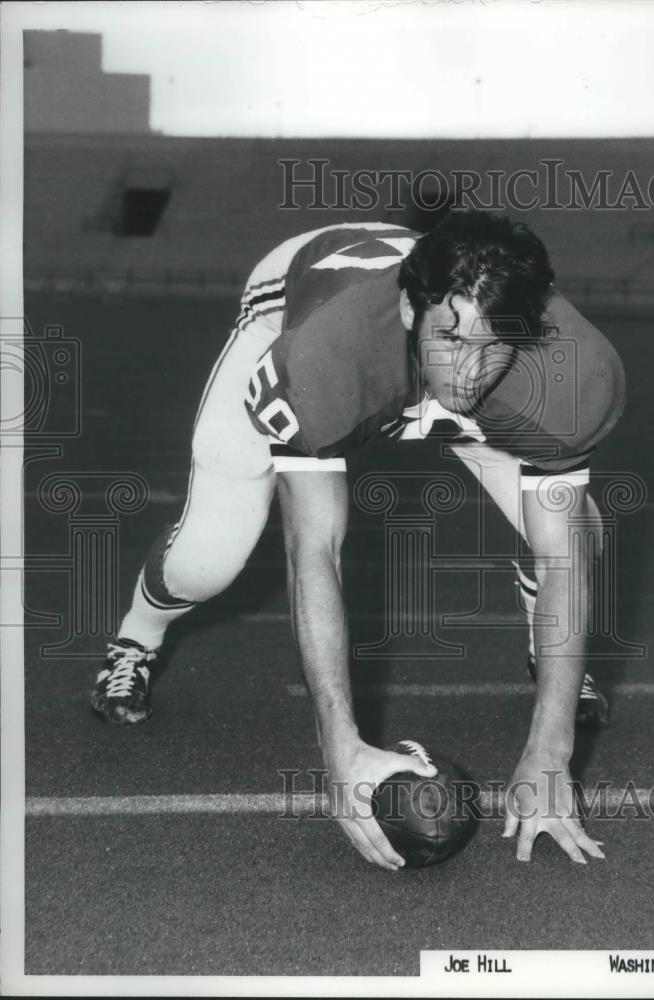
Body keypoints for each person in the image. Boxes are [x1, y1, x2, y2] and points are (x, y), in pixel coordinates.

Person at [91, 210, 625, 868]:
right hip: (303, 307)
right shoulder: (325, 353)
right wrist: (338, 749)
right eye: (451, 340)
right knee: (208, 559)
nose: (469, 372)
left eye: (495, 345)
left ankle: (544, 653)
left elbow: (562, 554)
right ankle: (136, 639)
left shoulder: (568, 370)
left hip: (422, 373)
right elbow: (314, 549)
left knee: (580, 531)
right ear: (408, 309)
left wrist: (551, 749)